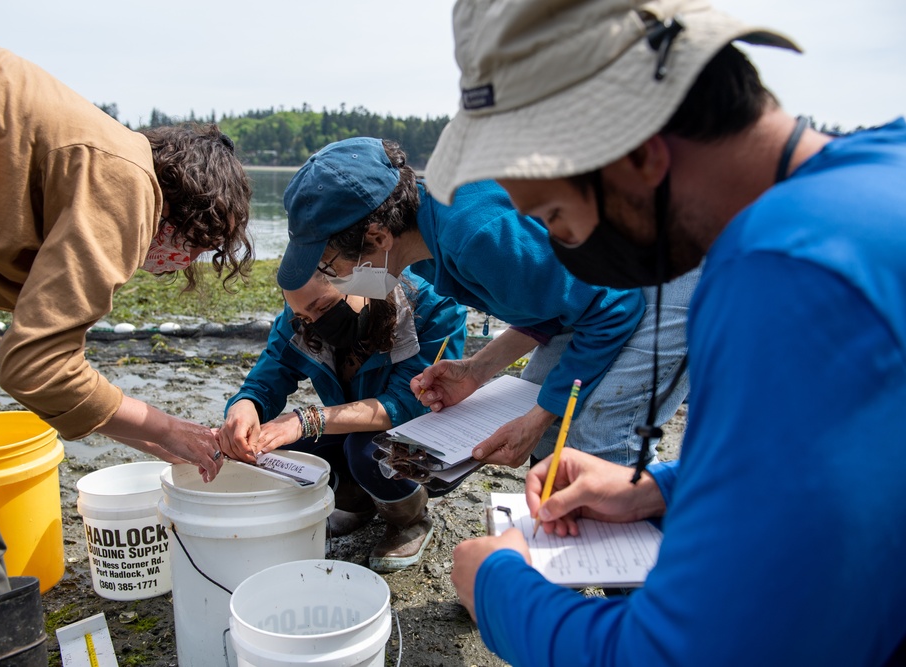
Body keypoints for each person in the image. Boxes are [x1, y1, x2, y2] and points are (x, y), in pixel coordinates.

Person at [428, 0, 906, 665]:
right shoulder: (881, 170)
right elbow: (849, 496)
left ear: (640, 154)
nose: (563, 246)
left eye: (557, 215)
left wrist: (498, 586)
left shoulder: (784, 275)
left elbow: (686, 653)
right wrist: (657, 490)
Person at [0, 18, 252, 663]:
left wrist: (150, 432)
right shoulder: (126, 183)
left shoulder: (97, 155)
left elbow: (59, 372)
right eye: (200, 249)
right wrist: (171, 429)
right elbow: (37, 366)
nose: (182, 265)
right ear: (189, 218)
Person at [278, 136, 692, 475]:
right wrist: (476, 370)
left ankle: (643, 572)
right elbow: (555, 305)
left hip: (671, 266)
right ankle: (572, 565)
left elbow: (610, 309)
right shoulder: (425, 248)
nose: (336, 277)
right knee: (550, 437)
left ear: (378, 236)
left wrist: (540, 416)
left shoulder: (475, 236)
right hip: (605, 286)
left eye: (332, 263)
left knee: (600, 443)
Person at [217, 269, 466, 571]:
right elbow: (270, 374)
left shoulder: (434, 307)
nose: (315, 322)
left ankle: (410, 520)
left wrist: (307, 419)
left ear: (362, 277)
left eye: (323, 307)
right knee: (269, 444)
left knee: (367, 452)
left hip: (425, 433)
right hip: (348, 427)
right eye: (304, 316)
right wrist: (245, 406)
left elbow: (406, 403)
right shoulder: (300, 312)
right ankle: (357, 503)